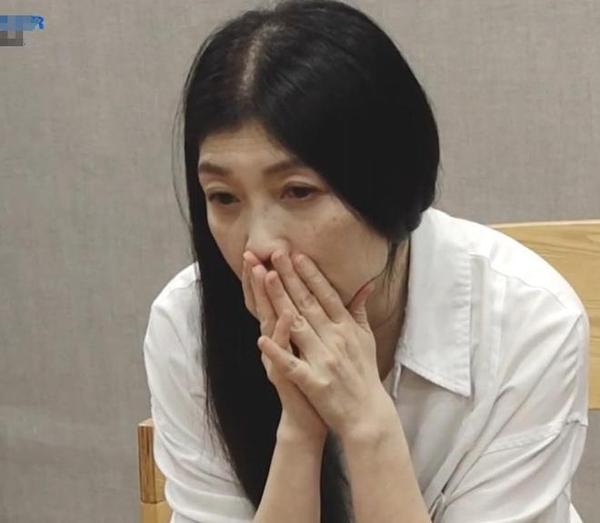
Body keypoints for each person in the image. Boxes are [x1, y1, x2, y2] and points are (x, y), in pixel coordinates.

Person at [142, 1, 590, 522]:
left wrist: (367, 426)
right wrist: (299, 432)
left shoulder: (530, 322)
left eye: (298, 191)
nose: (258, 246)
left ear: (391, 185)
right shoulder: (186, 327)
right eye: (223, 197)